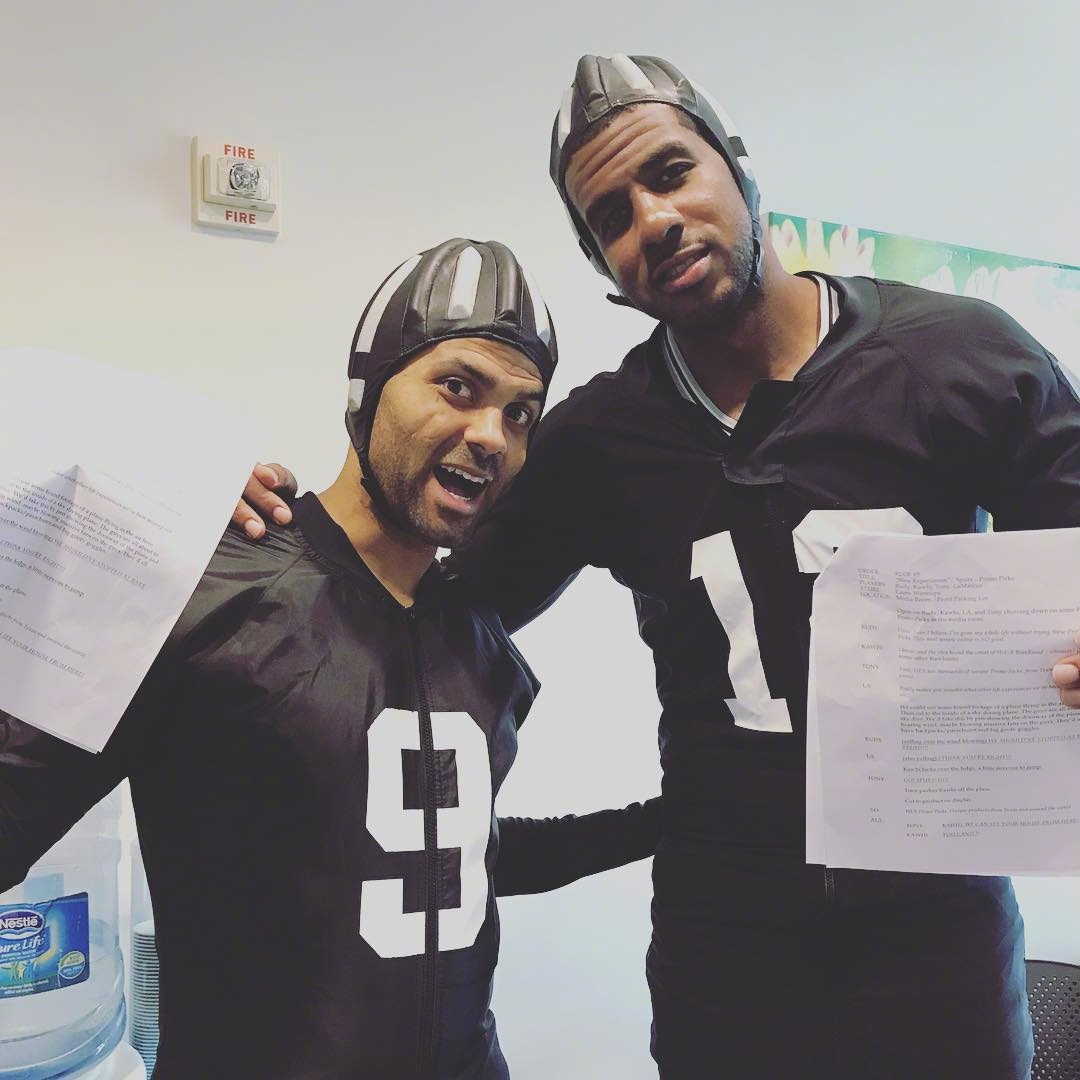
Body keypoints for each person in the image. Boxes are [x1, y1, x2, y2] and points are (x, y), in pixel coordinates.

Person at [235, 56, 1080, 1079]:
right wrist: (257, 529)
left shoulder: (965, 357)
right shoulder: (597, 440)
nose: (654, 221)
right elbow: (411, 603)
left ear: (739, 168)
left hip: (938, 938)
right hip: (725, 948)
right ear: (604, 262)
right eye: (611, 217)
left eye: (672, 173)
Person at [0, 237, 661, 1079]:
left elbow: (453, 860)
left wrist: (667, 822)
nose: (491, 435)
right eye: (458, 387)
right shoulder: (204, 589)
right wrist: (82, 496)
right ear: (368, 389)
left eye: (521, 414)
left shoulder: (481, 644)